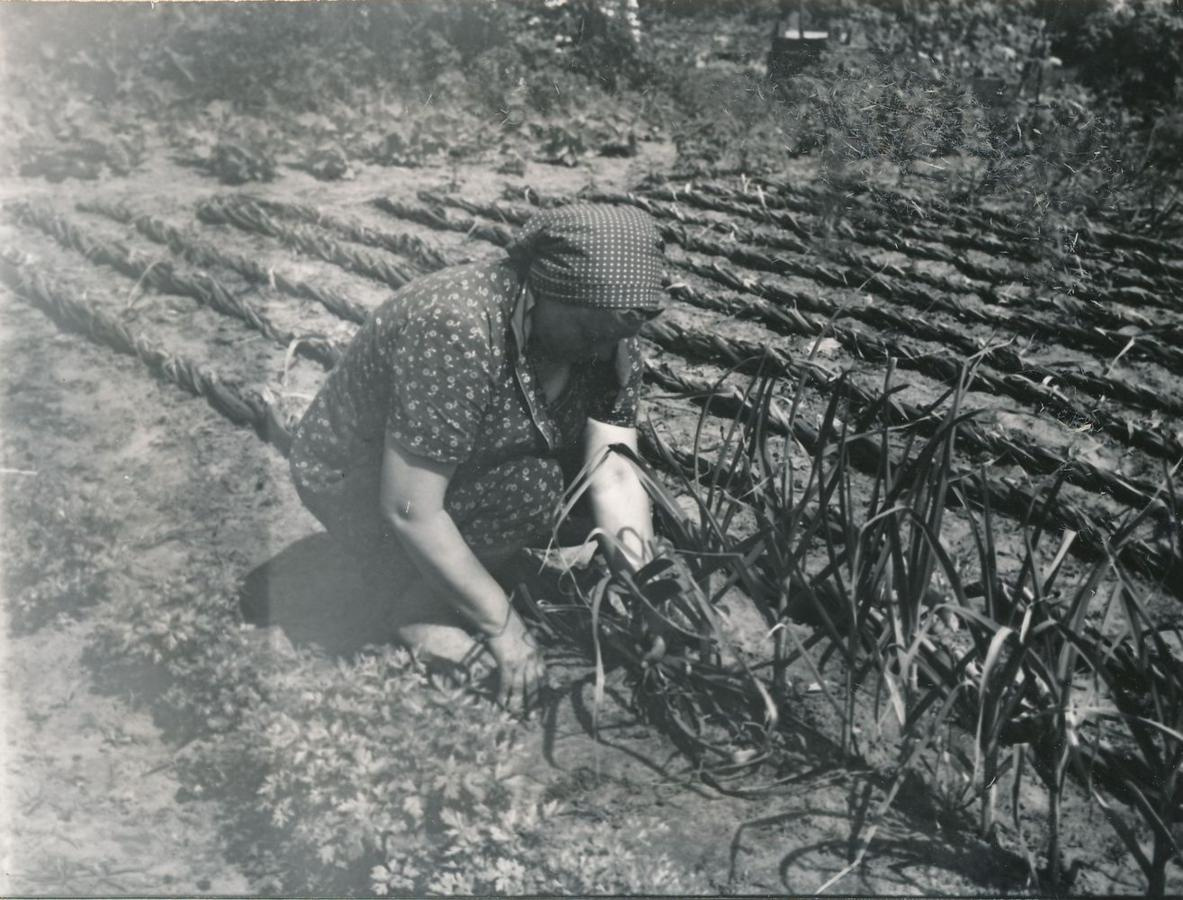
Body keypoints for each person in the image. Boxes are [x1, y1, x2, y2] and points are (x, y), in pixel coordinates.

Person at [288, 203, 665, 714]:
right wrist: (503, 629)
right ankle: (408, 602)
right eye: (588, 331)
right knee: (529, 489)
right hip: (358, 476)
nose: (604, 350)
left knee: (570, 490)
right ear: (546, 292)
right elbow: (409, 508)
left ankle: (464, 574)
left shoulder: (610, 332)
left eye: (617, 333)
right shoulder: (458, 329)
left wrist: (642, 592)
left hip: (451, 461)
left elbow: (616, 471)